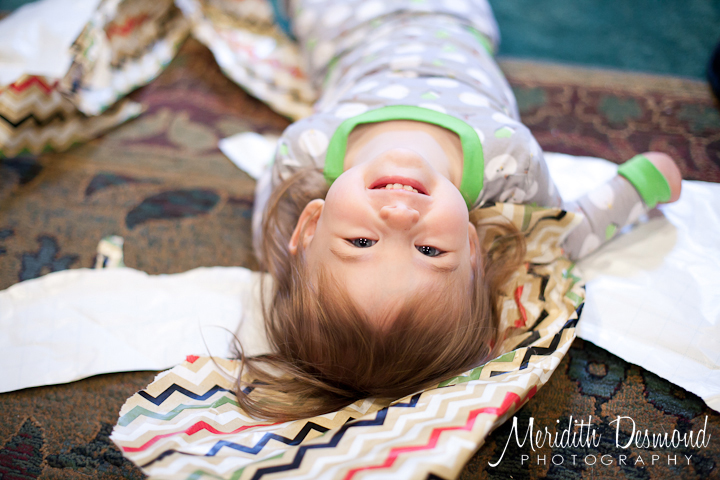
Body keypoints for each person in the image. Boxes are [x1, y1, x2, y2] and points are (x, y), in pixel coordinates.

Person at [239, 0, 682, 421]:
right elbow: (564, 235)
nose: (399, 217)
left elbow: (272, 228)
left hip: (343, 28)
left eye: (361, 242)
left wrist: (284, 269)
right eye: (429, 250)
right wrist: (638, 187)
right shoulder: (509, 162)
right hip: (452, 19)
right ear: (472, 246)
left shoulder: (305, 150)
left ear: (311, 224)